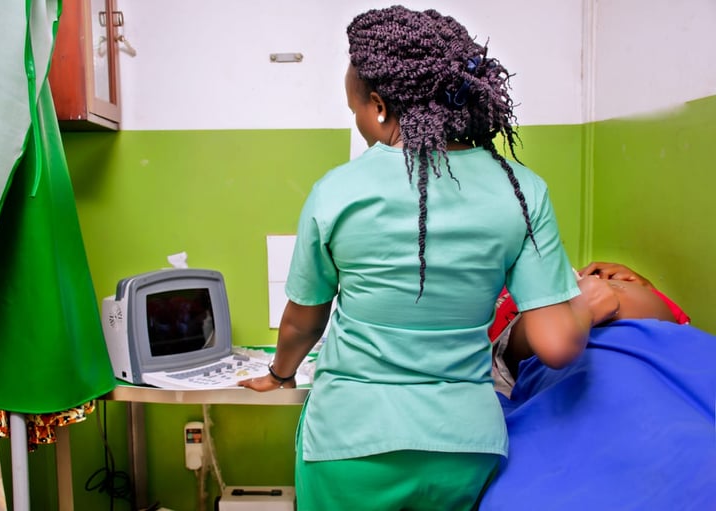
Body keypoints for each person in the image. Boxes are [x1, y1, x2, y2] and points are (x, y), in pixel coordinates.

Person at [239, 6, 614, 510]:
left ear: (377, 106)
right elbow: (557, 342)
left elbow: (302, 324)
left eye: (355, 109)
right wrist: (589, 302)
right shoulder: (521, 190)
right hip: (465, 446)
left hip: (350, 443)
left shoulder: (337, 192)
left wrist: (281, 374)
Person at [491, 261, 691, 395]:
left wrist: (644, 287)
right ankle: (573, 313)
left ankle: (583, 306)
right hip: (522, 330)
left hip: (615, 311)